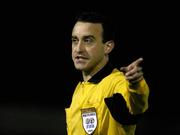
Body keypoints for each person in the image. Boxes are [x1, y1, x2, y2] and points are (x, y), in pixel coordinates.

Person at [65, 11, 149, 135]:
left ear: (108, 47)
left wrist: (136, 85)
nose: (78, 49)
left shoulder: (117, 84)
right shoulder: (79, 90)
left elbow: (137, 105)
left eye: (88, 40)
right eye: (75, 40)